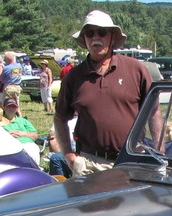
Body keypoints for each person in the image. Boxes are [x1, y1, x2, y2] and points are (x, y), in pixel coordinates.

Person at [54, 10, 158, 176]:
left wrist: (160, 152)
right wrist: (69, 156)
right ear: (85, 39)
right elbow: (59, 117)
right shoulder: (73, 77)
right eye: (90, 33)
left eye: (101, 32)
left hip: (131, 162)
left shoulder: (136, 69)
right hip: (89, 165)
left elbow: (153, 112)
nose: (96, 37)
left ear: (112, 36)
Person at [0, 51, 22, 117]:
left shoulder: (6, 68)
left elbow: (1, 78)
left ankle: (7, 117)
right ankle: (20, 118)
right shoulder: (19, 66)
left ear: (7, 59)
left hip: (9, 87)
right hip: (17, 87)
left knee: (6, 104)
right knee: (16, 104)